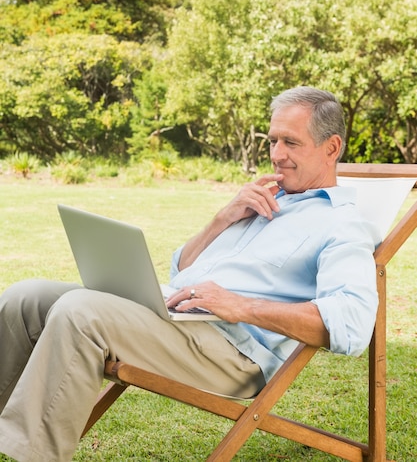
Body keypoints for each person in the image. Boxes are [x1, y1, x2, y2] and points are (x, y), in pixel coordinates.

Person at [0, 86, 380, 462]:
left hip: (232, 352)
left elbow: (352, 324)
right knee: (25, 296)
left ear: (331, 148)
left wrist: (240, 305)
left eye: (291, 143)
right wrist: (223, 218)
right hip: (177, 318)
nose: (277, 155)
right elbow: (181, 269)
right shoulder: (264, 198)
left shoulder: (342, 225)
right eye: (273, 141)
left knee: (80, 311)